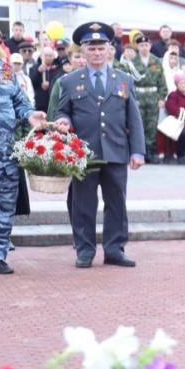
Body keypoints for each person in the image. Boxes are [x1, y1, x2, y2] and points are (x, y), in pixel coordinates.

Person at [53, 22, 145, 268]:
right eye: (91, 48)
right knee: (83, 204)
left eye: (100, 47)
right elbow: (63, 111)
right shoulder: (70, 81)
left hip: (115, 150)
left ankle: (115, 249)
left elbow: (134, 118)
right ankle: (85, 250)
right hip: (84, 153)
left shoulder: (124, 79)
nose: (96, 53)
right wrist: (63, 120)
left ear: (109, 50)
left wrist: (137, 150)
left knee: (116, 203)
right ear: (82, 51)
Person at [0, 54, 49, 274]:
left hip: (5, 154)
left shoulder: (3, 69)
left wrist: (30, 114)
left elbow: (19, 101)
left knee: (4, 207)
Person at [128, 34, 168, 164]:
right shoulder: (132, 63)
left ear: (150, 46)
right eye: (141, 45)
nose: (144, 47)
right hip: (138, 97)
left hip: (153, 97)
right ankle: (139, 152)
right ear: (137, 47)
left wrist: (162, 97)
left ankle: (151, 152)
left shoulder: (156, 61)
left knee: (152, 126)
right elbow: (129, 83)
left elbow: (162, 82)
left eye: (146, 45)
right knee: (139, 126)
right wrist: (132, 99)